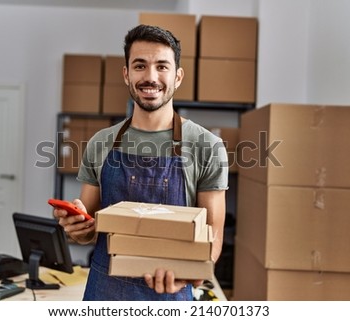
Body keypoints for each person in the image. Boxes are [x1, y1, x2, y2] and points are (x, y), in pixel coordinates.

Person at [53, 24, 229, 301]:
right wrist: (77, 228)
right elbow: (89, 233)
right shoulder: (101, 143)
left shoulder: (207, 146)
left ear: (178, 76)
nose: (150, 77)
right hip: (105, 293)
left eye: (162, 66)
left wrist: (192, 273)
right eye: (139, 66)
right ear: (126, 74)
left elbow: (214, 233)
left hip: (170, 295)